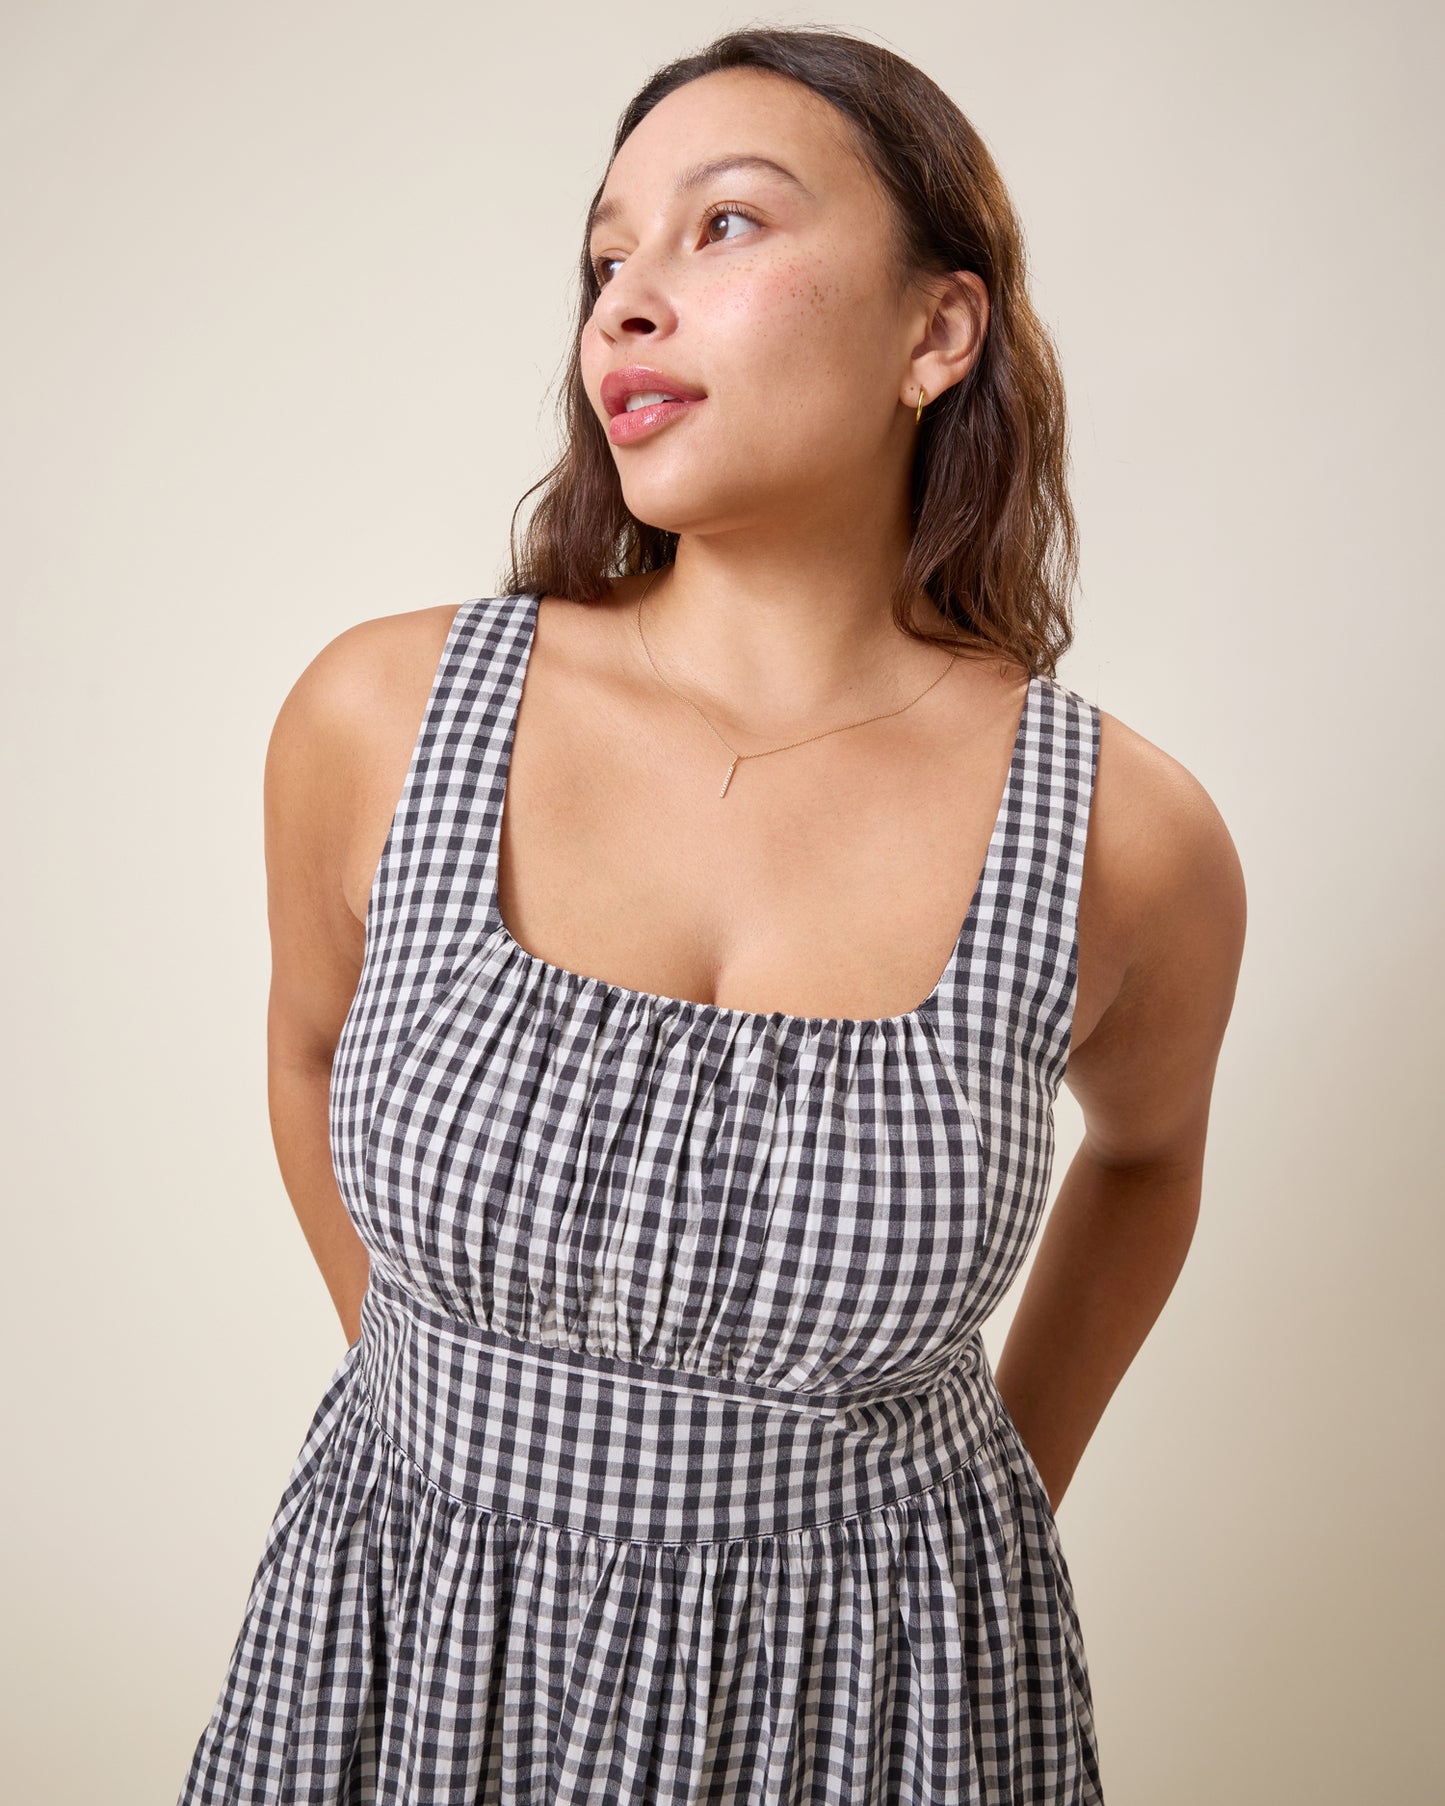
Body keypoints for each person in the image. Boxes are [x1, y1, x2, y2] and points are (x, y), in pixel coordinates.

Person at [177, 24, 1245, 1805]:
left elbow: (1148, 1161)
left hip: (882, 1697)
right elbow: (306, 1050)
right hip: (411, 1645)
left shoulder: (1122, 837)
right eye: (607, 257)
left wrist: (972, 1515)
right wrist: (443, 1426)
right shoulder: (379, 715)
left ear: (936, 332)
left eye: (724, 227)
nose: (626, 302)